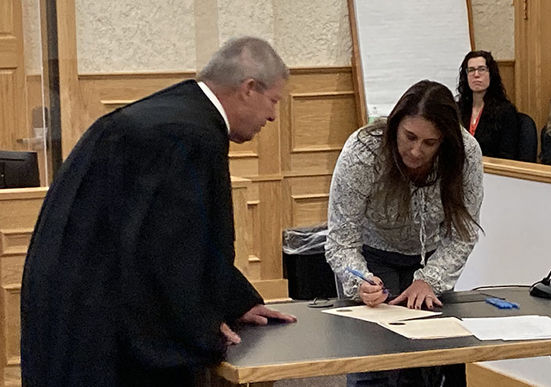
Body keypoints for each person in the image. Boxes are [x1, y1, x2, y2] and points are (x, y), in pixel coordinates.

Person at [20, 36, 296, 387]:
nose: (273, 116)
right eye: (273, 101)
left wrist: (235, 300)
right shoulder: (189, 134)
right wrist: (203, 329)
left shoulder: (173, 115)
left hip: (72, 296)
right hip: (101, 320)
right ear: (249, 88)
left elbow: (185, 235)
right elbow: (169, 249)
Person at [326, 80, 483, 386]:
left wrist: (430, 279)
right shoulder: (363, 151)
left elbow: (462, 235)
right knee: (373, 363)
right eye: (409, 137)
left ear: (444, 142)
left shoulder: (466, 154)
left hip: (431, 259)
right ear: (395, 124)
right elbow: (340, 240)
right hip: (371, 258)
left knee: (431, 359)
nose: (415, 150)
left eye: (429, 143)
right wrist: (361, 281)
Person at [457, 50, 520, 160]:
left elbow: (507, 155)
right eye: (471, 70)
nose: (476, 75)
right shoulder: (458, 109)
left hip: (492, 172)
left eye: (481, 69)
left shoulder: (506, 112)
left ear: (491, 74)